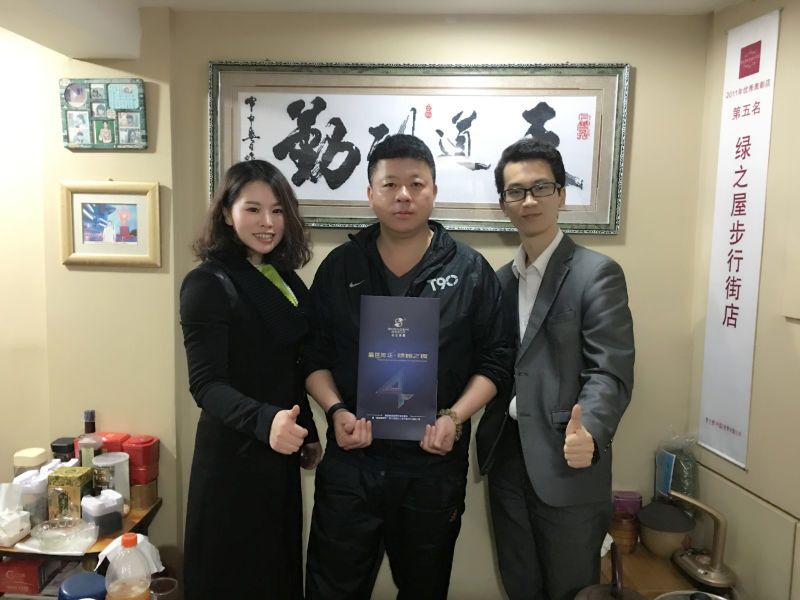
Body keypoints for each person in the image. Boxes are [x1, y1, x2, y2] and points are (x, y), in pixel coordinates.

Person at [303, 134, 512, 600]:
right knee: (331, 587)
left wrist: (455, 417)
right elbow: (313, 356)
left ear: (433, 191)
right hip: (353, 462)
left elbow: (496, 360)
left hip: (432, 465)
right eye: (390, 184)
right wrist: (336, 410)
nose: (403, 195)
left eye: (416, 184)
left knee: (424, 588)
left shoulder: (471, 270)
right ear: (370, 193)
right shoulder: (340, 267)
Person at [476, 137, 635, 600]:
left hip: (569, 460)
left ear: (561, 195)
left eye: (540, 188)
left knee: (571, 589)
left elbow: (610, 369)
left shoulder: (596, 273)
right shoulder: (500, 282)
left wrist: (593, 429)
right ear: (504, 205)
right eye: (515, 191)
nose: (528, 201)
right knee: (519, 584)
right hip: (507, 458)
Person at [180, 159, 321, 600]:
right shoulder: (207, 282)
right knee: (232, 578)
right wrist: (266, 421)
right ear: (227, 213)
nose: (268, 223)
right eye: (253, 209)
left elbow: (290, 364)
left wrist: (307, 430)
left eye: (278, 210)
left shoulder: (285, 278)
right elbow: (206, 385)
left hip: (279, 453)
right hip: (232, 459)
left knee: (276, 573)